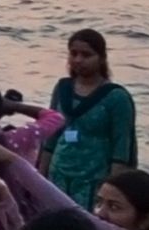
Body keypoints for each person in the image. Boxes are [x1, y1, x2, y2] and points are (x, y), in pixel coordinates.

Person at [37, 30, 139, 210]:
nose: (78, 60)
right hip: (58, 175)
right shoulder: (62, 88)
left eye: (86, 55)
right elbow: (51, 137)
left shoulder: (116, 97)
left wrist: (114, 192)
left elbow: (121, 148)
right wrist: (39, 178)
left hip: (94, 182)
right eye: (73, 53)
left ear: (101, 58)